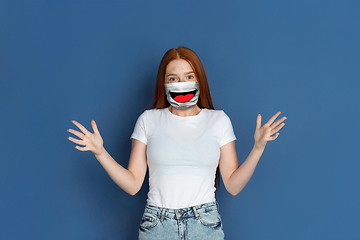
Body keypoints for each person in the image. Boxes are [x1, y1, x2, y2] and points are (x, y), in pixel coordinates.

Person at [67, 46, 287, 240]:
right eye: (173, 78)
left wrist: (258, 148)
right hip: (157, 226)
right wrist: (100, 152)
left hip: (204, 225)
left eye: (189, 76)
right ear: (164, 84)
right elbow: (133, 185)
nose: (181, 84)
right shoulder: (148, 120)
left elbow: (233, 184)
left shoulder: (218, 120)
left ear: (199, 80)